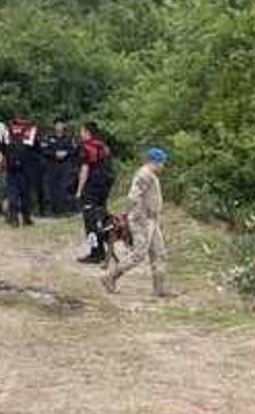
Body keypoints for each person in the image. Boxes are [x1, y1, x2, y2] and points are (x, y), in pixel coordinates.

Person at [103, 148, 171, 296]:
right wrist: (140, 216)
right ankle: (110, 277)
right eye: (162, 163)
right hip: (144, 220)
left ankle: (159, 289)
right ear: (155, 161)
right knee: (139, 254)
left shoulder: (150, 174)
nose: (164, 166)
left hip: (151, 220)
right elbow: (133, 197)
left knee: (159, 253)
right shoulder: (144, 174)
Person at [76, 121, 114, 264]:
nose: (80, 134)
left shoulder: (86, 147)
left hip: (91, 187)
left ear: (87, 132)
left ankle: (95, 253)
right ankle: (107, 245)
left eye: (81, 131)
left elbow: (84, 170)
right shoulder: (103, 146)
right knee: (101, 215)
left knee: (90, 221)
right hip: (104, 187)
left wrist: (79, 190)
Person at [42, 118, 78, 216]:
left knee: (65, 187)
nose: (59, 126)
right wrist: (54, 153)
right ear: (54, 126)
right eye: (57, 124)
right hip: (51, 164)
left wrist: (66, 153)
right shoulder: (48, 137)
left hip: (65, 165)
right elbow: (44, 150)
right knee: (50, 188)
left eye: (61, 124)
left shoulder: (70, 138)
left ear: (64, 126)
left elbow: (75, 150)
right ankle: (50, 210)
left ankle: (66, 210)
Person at [5, 116, 37, 226]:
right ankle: (16, 218)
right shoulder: (8, 133)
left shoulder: (11, 132)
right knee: (15, 195)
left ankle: (23, 218)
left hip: (23, 169)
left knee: (24, 195)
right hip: (14, 169)